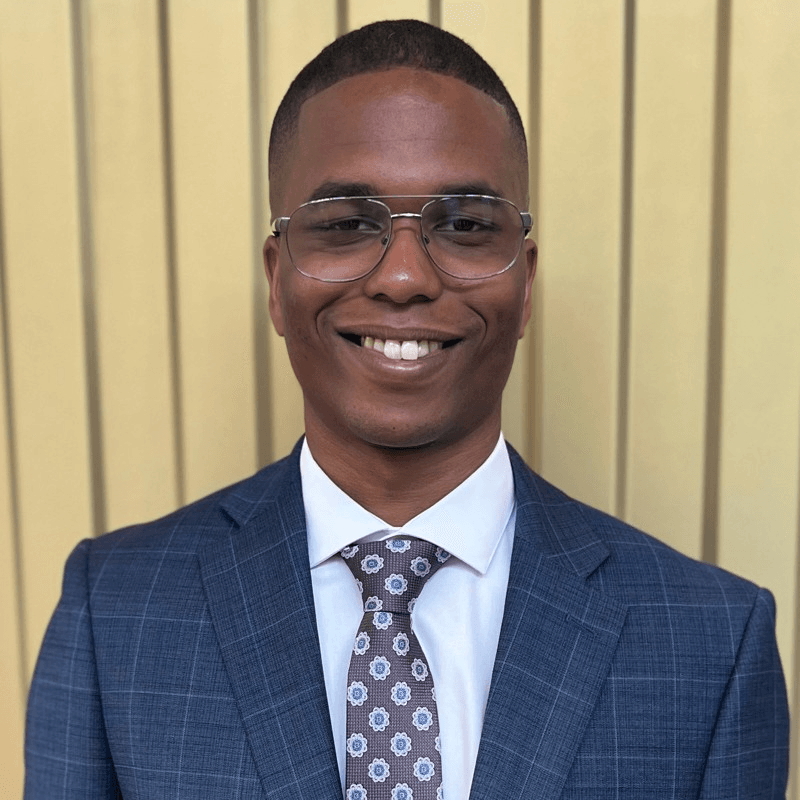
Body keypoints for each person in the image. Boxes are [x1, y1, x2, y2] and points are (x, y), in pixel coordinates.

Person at [25, 19, 788, 800]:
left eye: (464, 226)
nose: (403, 278)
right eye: (346, 226)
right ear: (277, 280)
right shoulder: (114, 615)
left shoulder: (710, 644)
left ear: (525, 283)